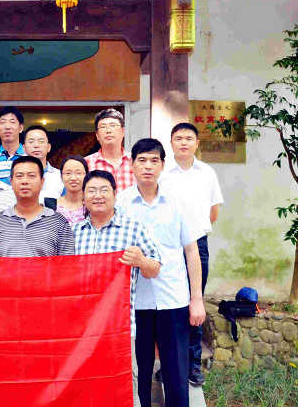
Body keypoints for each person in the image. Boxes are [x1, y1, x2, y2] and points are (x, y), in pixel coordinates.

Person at [117, 138, 206, 407]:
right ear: (132, 165)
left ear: (162, 165)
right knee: (139, 373)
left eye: (154, 160)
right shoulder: (120, 203)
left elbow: (192, 251)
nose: (148, 166)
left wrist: (197, 299)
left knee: (176, 372)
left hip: (173, 298)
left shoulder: (178, 201)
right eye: (142, 160)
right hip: (135, 303)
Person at [73, 170, 162, 407]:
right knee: (84, 384)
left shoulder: (133, 229)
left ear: (115, 193)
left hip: (120, 327)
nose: (98, 195)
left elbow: (155, 268)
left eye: (104, 190)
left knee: (123, 385)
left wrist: (141, 261)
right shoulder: (74, 233)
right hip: (82, 327)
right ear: (83, 196)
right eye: (92, 190)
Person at [161, 122, 224, 386]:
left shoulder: (207, 172)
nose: (184, 142)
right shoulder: (163, 173)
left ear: (197, 143)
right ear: (171, 143)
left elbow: (213, 211)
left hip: (197, 244)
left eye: (189, 138)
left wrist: (195, 230)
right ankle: (169, 365)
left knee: (195, 302)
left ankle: (193, 365)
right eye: (178, 138)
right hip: (168, 245)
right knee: (170, 305)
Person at [0, 156, 74, 257]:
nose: (25, 181)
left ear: (42, 182)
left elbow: (68, 263)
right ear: (11, 182)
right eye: (19, 176)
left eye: (31, 176)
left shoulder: (59, 223)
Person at [85, 108, 134, 192]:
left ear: (123, 132)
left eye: (113, 125)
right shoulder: (86, 163)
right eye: (103, 127)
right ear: (97, 135)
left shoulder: (136, 161)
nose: (108, 131)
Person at [22, 125, 64, 203]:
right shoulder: (16, 176)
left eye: (41, 141)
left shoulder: (61, 177)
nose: (36, 145)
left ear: (48, 147)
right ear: (24, 148)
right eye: (31, 142)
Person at [0, 106, 26, 185]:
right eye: (3, 122)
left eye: (12, 122)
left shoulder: (29, 156)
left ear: (21, 128)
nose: (7, 127)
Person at [56, 156, 88, 227]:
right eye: (68, 173)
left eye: (78, 173)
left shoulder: (92, 205)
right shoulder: (51, 206)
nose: (73, 178)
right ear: (61, 177)